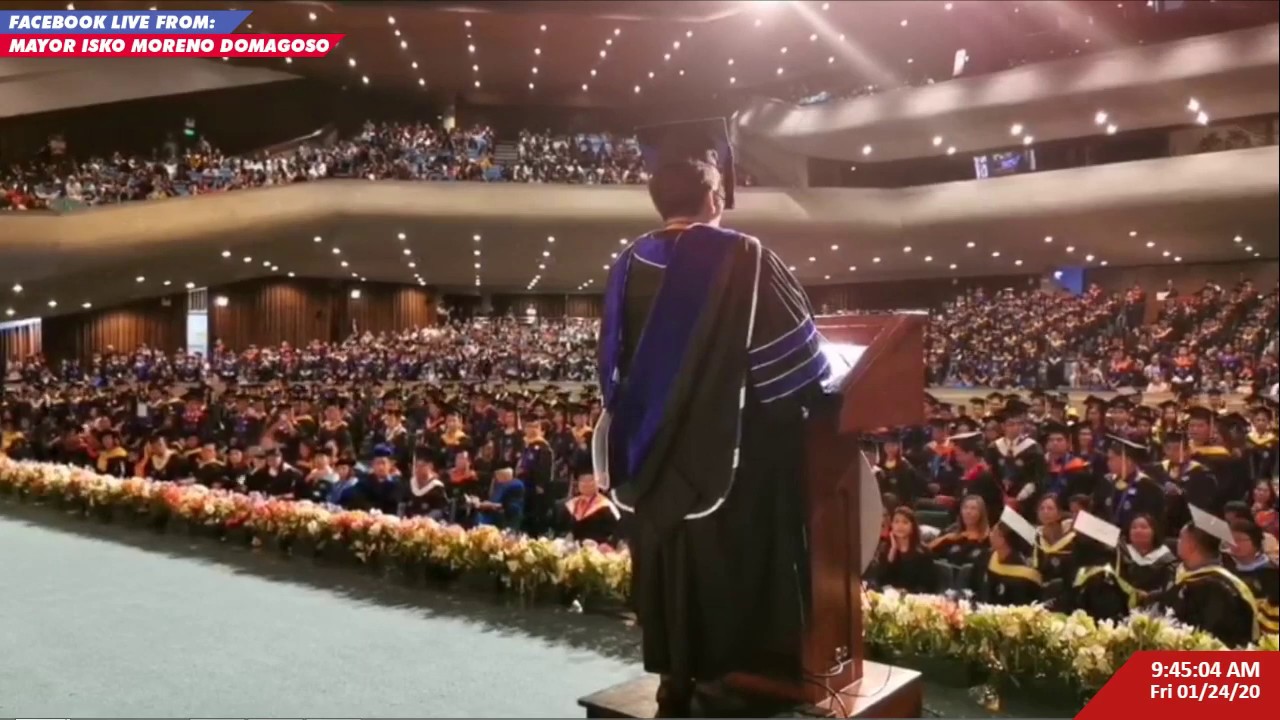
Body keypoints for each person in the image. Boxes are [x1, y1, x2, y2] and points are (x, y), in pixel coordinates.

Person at [595, 117, 830, 712]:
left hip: (649, 452)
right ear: (715, 197)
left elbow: (611, 366)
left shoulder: (627, 264)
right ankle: (735, 674)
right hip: (729, 445)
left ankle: (675, 675)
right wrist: (821, 400)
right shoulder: (742, 254)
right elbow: (797, 357)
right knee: (721, 554)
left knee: (669, 556)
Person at [1147, 511, 1260, 647]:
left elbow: (1213, 641)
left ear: (1191, 545)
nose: (1178, 542)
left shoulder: (1217, 589)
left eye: (1181, 538)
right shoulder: (1189, 576)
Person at [973, 507, 1043, 606]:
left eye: (994, 532)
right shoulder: (985, 557)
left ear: (1003, 539)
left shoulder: (1025, 574)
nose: (990, 534)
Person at [1152, 431, 1218, 534]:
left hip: (1189, 523)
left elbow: (1203, 503)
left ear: (1188, 450)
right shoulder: (1158, 469)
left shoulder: (1201, 473)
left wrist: (1181, 493)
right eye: (1168, 449)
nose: (1172, 453)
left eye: (1177, 449)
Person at [1095, 435, 1164, 532]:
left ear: (1128, 461)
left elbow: (1152, 524)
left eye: (1112, 458)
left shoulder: (1149, 488)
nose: (1108, 462)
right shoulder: (1106, 482)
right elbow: (1096, 511)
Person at [1225, 518, 1280, 636]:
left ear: (1256, 542)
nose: (1234, 544)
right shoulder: (1226, 568)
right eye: (1231, 539)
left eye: (1240, 539)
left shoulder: (1270, 572)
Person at [928, 494, 991, 591]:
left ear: (981, 513)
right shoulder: (952, 531)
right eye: (965, 508)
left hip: (973, 586)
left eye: (973, 508)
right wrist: (946, 538)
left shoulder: (988, 538)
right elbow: (926, 550)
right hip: (947, 585)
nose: (968, 512)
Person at [868, 506, 935, 593]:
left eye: (905, 522)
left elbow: (927, 587)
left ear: (913, 527)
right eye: (896, 522)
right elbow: (879, 581)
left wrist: (905, 592)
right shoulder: (885, 549)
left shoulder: (923, 553)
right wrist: (892, 552)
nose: (900, 526)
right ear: (892, 525)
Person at [1117, 513, 1176, 599]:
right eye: (1134, 527)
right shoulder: (1120, 552)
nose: (1138, 530)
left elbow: (1170, 587)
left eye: (1144, 527)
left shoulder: (1166, 559)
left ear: (1154, 531)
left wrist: (1149, 596)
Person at [950, 431, 1005, 523]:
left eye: (959, 455)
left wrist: (956, 503)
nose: (957, 459)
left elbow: (980, 508)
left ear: (971, 453)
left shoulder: (984, 476)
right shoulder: (965, 473)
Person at [1032, 493, 1076, 592]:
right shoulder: (1038, 538)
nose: (1045, 512)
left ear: (1059, 513)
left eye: (1050, 508)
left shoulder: (1072, 538)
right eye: (1042, 508)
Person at [563, 472, 620, 545]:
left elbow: (617, 533)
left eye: (590, 480)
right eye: (582, 480)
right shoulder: (571, 505)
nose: (586, 484)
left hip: (597, 550)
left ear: (598, 482)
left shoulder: (606, 506)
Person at [403, 455, 448, 520]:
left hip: (429, 523)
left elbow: (440, 510)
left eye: (422, 466)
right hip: (408, 522)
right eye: (416, 466)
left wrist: (424, 520)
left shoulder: (437, 487)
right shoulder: (411, 483)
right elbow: (402, 504)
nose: (418, 469)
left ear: (430, 466)